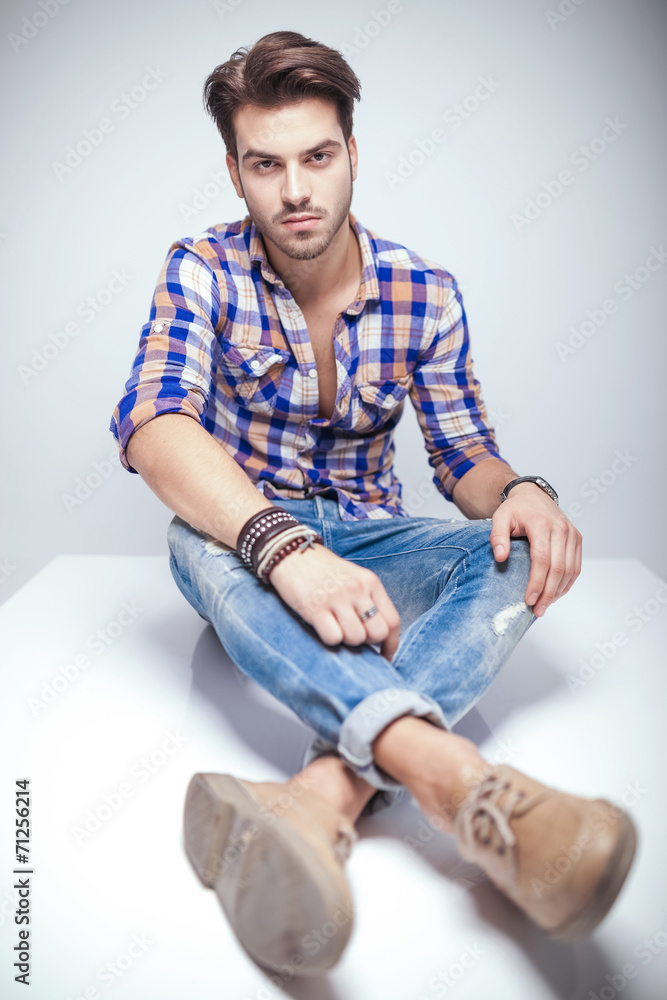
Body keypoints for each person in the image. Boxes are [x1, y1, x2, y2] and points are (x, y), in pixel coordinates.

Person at [109, 30, 637, 978]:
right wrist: (283, 546)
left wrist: (523, 491)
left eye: (317, 157)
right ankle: (457, 782)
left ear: (352, 152)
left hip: (372, 542)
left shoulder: (424, 292)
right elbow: (155, 425)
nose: (296, 190)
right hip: (247, 542)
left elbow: (463, 458)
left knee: (511, 548)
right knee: (194, 538)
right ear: (234, 173)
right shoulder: (200, 268)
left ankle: (321, 797)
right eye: (266, 165)